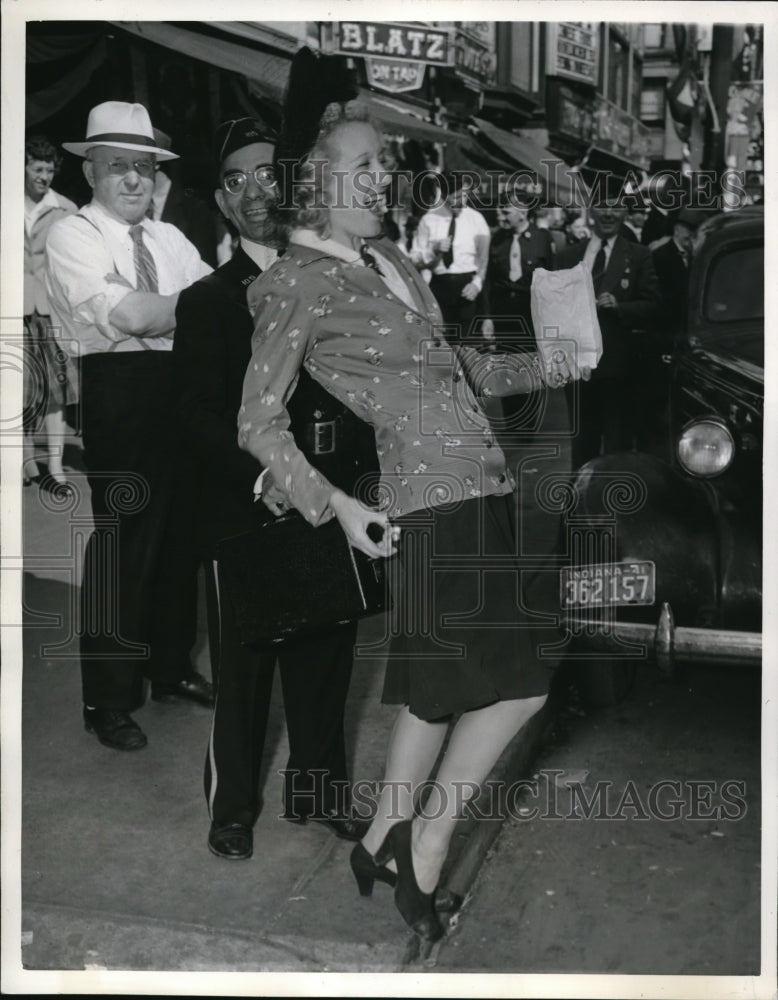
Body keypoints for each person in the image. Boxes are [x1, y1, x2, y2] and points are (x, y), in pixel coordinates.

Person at [238, 52, 586, 942]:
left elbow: (457, 368)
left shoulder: (388, 257)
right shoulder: (295, 283)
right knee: (521, 689)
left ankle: (388, 838)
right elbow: (258, 423)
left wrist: (549, 364)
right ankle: (424, 846)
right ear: (311, 184)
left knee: (437, 693)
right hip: (427, 504)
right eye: (358, 166)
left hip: (479, 486)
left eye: (381, 165)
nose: (377, 179)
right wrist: (336, 507)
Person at [173, 116, 377, 859]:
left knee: (326, 651)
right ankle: (232, 807)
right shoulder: (206, 302)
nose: (255, 189)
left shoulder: (339, 276)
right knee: (245, 666)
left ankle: (317, 793)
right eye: (235, 179)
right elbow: (195, 415)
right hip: (246, 505)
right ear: (222, 204)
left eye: (268, 172)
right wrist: (263, 476)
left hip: (332, 497)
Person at [45, 101, 214, 753]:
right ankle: (108, 700)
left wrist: (171, 308)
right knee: (124, 547)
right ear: (91, 170)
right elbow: (135, 318)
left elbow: (177, 307)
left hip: (182, 391)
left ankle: (168, 671)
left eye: (143, 168)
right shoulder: (74, 236)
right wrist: (188, 307)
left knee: (180, 540)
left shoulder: (168, 239)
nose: (134, 181)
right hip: (120, 393)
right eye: (118, 168)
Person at [554, 176, 661, 466]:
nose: (609, 213)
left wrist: (621, 307)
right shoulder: (568, 257)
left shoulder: (638, 256)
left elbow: (653, 305)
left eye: (616, 206)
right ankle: (578, 505)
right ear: (591, 211)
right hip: (579, 370)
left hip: (620, 368)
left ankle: (615, 505)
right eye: (602, 206)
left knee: (617, 446)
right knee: (582, 444)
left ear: (625, 211)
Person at [23, 135, 78, 493]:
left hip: (50, 311)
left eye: (49, 169)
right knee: (19, 390)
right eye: (37, 168)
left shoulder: (65, 209)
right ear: (24, 167)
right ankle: (26, 465)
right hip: (13, 307)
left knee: (56, 391)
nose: (44, 176)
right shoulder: (7, 203)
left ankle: (55, 468)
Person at [410, 171, 490, 338]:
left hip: (468, 287)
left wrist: (476, 284)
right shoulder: (429, 220)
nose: (461, 202)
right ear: (444, 195)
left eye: (465, 195)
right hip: (440, 288)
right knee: (440, 342)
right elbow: (414, 259)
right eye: (456, 197)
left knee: (468, 346)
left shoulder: (477, 220)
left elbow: (484, 259)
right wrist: (433, 250)